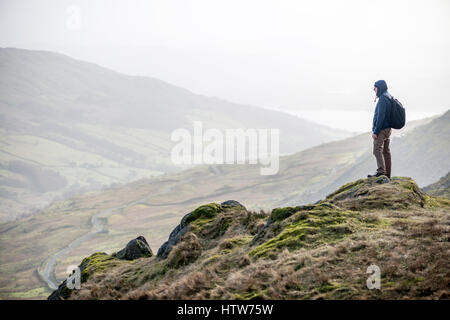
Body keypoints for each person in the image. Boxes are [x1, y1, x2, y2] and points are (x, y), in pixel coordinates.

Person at [368, 80, 393, 178]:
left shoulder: (383, 98)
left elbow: (381, 116)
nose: (374, 89)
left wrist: (376, 131)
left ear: (380, 87)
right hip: (388, 129)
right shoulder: (388, 96)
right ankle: (387, 174)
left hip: (382, 129)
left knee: (376, 150)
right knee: (386, 151)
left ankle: (381, 171)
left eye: (375, 87)